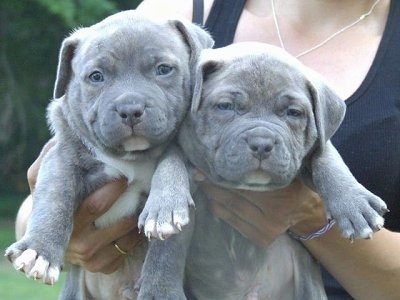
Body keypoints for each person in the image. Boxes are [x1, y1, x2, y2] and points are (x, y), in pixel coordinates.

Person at [17, 0, 400, 299]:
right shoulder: (176, 15)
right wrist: (55, 234)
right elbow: (40, 199)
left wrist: (316, 218)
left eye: (162, 71)